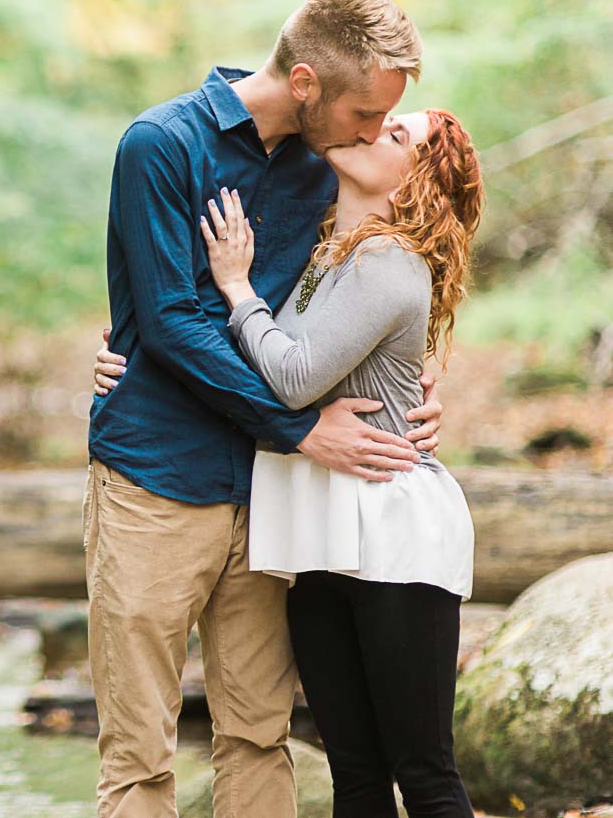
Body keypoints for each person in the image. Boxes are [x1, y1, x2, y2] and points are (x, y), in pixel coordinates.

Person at [80, 0, 445, 818]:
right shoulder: (161, 144)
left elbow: (392, 263)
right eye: (362, 113)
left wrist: (423, 371)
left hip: (271, 494)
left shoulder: (329, 164)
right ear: (307, 81)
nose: (370, 133)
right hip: (155, 480)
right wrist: (299, 425)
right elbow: (170, 321)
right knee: (139, 753)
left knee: (258, 732)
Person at [191, 109, 483, 816]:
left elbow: (293, 376)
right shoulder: (327, 250)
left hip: (392, 532)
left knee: (426, 776)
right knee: (354, 773)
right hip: (320, 532)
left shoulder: (387, 260)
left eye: (397, 136)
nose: (375, 129)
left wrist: (236, 287)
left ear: (415, 181)